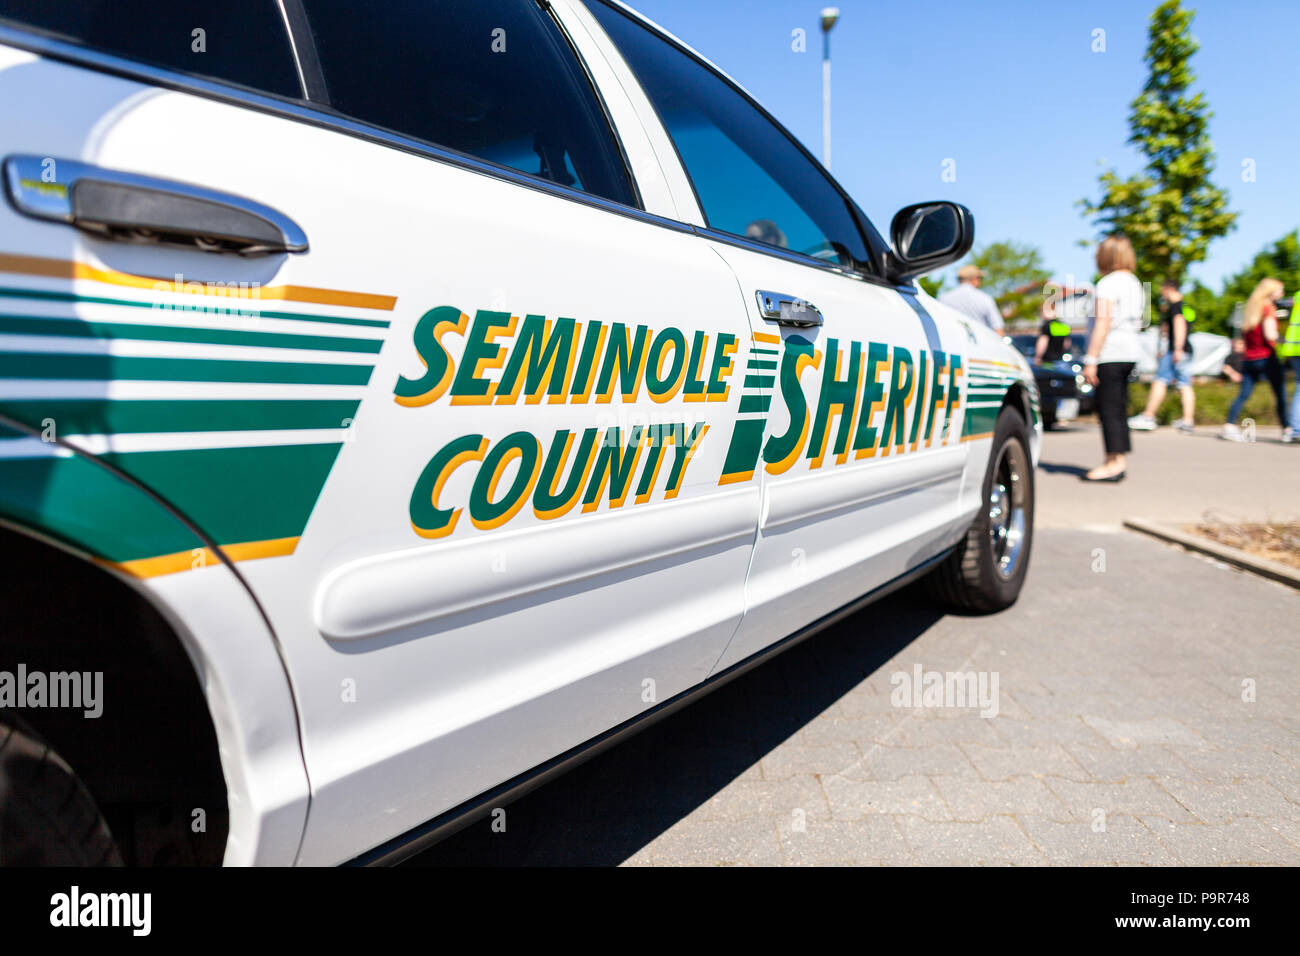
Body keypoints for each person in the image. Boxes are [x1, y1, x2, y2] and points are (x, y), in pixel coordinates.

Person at [1081, 236, 1144, 482]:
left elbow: (1103, 322)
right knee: (1119, 408)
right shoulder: (1133, 282)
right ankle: (1119, 459)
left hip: (1111, 353)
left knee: (1108, 408)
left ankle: (1113, 462)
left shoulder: (1108, 283)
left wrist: (1090, 358)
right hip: (1130, 351)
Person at [1222, 278, 1288, 441]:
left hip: (1249, 360)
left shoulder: (1251, 311)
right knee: (1280, 394)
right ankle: (1287, 428)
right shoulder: (1267, 310)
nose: (1282, 294)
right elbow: (1270, 334)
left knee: (1243, 394)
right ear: (1270, 292)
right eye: (1279, 291)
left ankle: (1229, 425)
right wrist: (1286, 341)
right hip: (1267, 358)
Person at [1128, 279, 1195, 434]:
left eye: (1162, 290)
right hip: (1185, 349)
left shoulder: (1176, 306)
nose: (1161, 293)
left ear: (1169, 289)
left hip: (1176, 350)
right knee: (1185, 385)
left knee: (1160, 381)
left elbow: (1179, 324)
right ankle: (1187, 420)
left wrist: (1177, 348)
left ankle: (1148, 416)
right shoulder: (1185, 306)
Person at [939, 264, 1005, 333]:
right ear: (975, 279)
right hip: (983, 341)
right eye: (980, 278)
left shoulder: (943, 298)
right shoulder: (985, 298)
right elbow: (998, 328)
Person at [1279, 298, 1299, 443]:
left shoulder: (1297, 297)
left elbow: (1283, 303)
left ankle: (1295, 429)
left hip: (1293, 349)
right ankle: (1296, 429)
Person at [1034, 297, 1071, 365]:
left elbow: (1043, 342)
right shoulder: (1063, 325)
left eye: (1042, 311)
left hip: (1047, 361)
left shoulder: (1046, 326)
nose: (1041, 314)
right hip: (1061, 360)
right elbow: (1066, 344)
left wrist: (1038, 357)